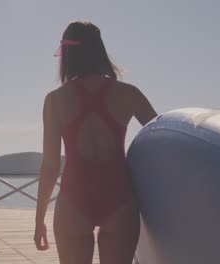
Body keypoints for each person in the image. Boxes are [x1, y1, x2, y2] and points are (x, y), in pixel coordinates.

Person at [34, 21, 157, 264]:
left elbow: (50, 166)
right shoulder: (129, 93)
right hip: (120, 197)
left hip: (74, 199)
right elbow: (162, 137)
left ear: (67, 55)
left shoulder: (55, 100)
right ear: (100, 51)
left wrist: (39, 220)